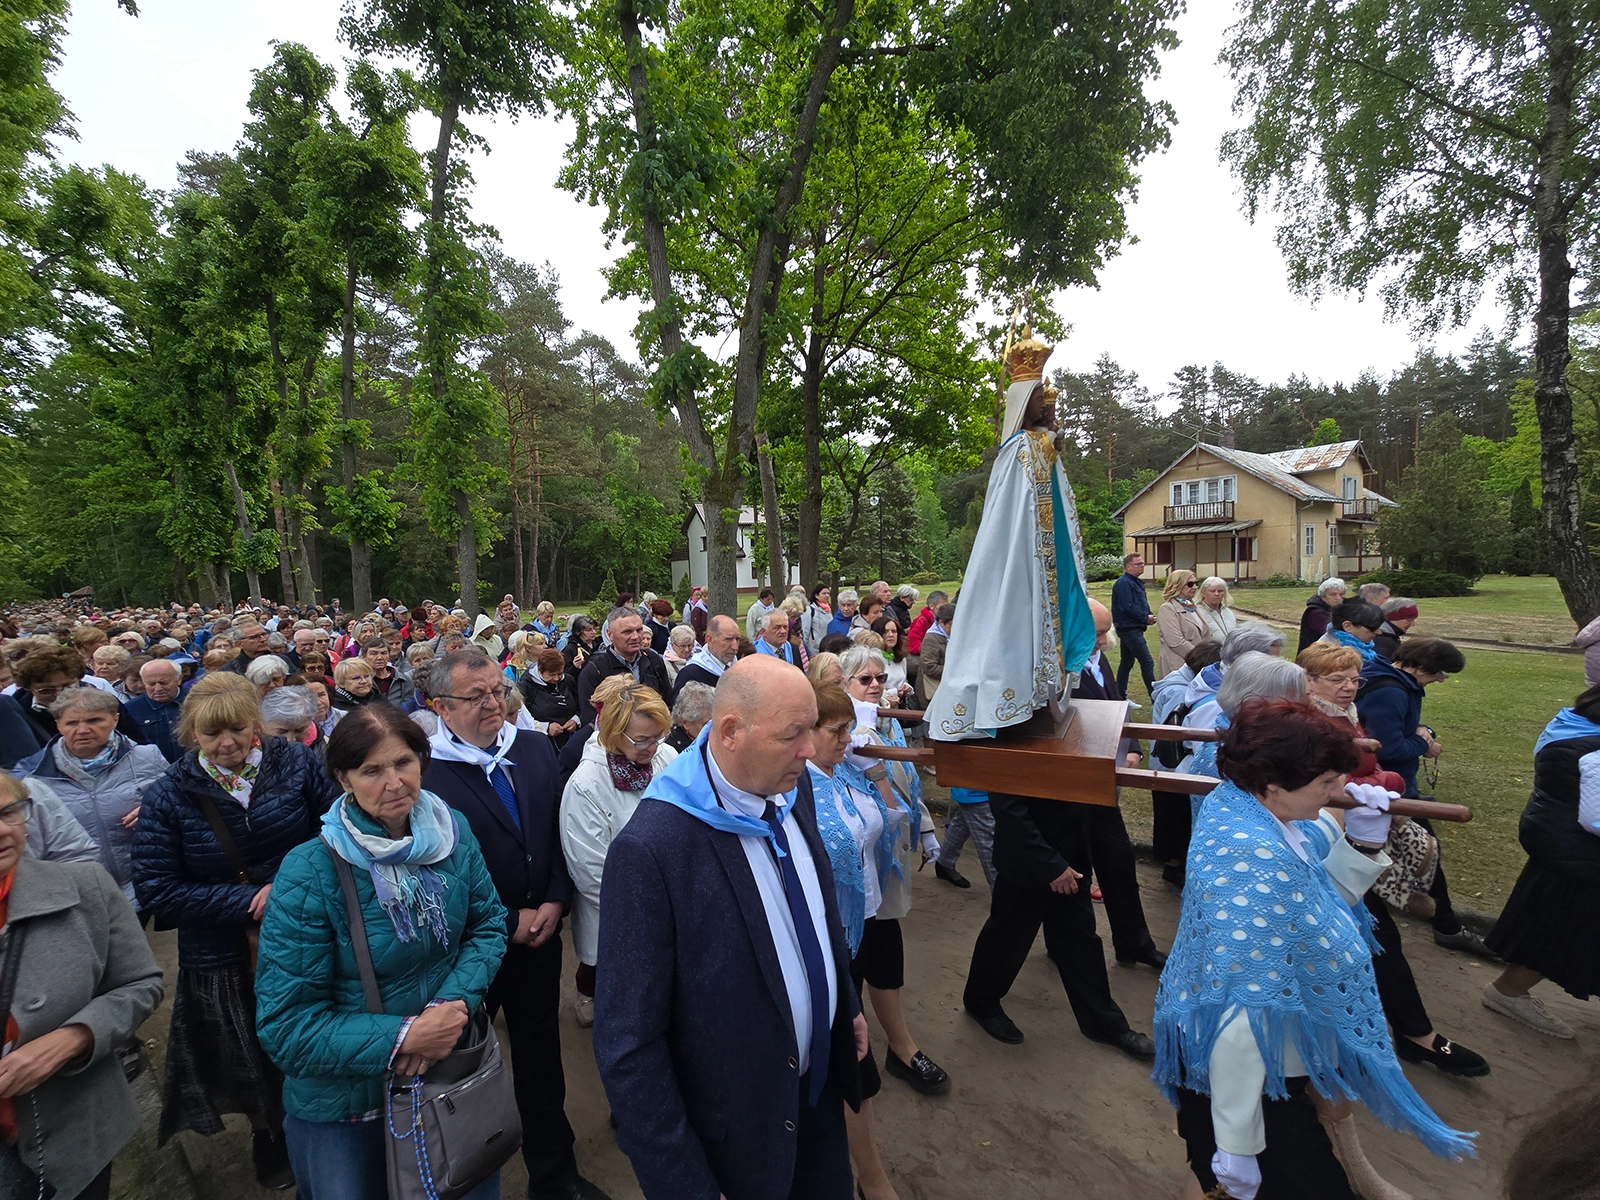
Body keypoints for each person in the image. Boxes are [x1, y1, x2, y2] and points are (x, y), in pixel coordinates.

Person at [1155, 698, 1474, 1200]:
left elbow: (1305, 907)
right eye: (1326, 782)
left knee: (1213, 1174)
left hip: (1258, 1055)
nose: (1338, 792)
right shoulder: (1252, 857)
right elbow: (1243, 1010)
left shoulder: (1247, 809)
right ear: (1274, 784)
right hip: (1245, 1071)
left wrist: (1362, 845)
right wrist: (1237, 1140)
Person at [593, 656, 866, 1200]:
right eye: (793, 735)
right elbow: (628, 1044)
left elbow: (817, 907)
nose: (811, 751)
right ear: (731, 732)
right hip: (735, 1142)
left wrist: (846, 1003)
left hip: (818, 1100)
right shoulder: (652, 850)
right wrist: (682, 1184)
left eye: (812, 730)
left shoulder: (792, 785)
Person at [253, 703, 508, 1200]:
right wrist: (404, 1037)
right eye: (372, 770)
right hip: (349, 1108)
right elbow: (286, 1028)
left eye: (404, 763)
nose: (393, 782)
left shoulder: (451, 832)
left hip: (446, 1077)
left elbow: (488, 924)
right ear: (343, 778)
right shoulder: (309, 871)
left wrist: (448, 1010)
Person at [132, 671, 340, 1185]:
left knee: (320, 1023)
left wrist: (294, 887)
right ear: (191, 736)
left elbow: (334, 824)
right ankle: (270, 1136)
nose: (228, 744)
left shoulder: (292, 761)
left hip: (308, 924)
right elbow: (157, 887)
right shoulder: (168, 796)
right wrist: (247, 899)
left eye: (240, 730)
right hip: (224, 947)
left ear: (256, 725)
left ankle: (335, 1124)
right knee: (249, 1043)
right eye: (212, 735)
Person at [422, 651, 604, 1200]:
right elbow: (432, 878)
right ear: (439, 707)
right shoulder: (427, 773)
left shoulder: (530, 747)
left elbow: (554, 827)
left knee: (540, 1057)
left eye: (497, 692)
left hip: (538, 939)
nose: (492, 705)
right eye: (474, 697)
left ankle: (555, 1175)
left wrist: (553, 899)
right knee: (458, 1065)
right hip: (465, 951)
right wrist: (506, 919)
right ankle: (457, 1176)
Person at [1297, 643, 1489, 1092]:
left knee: (1374, 940)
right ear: (1307, 680)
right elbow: (1329, 782)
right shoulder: (1307, 721)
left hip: (1350, 838)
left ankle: (1407, 1032)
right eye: (1337, 679)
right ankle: (1399, 1037)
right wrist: (1390, 782)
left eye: (1353, 679)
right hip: (1327, 847)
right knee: (1366, 941)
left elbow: (1362, 766)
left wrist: (1378, 783)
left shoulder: (1342, 713)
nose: (1348, 688)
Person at [0, 772, 164, 1200]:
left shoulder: (85, 888)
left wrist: (76, 1037)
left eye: (8, 814)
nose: (1, 830)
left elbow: (141, 983)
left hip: (72, 1138)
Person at [806, 682, 906, 1200]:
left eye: (849, 727)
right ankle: (870, 1177)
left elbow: (891, 820)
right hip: (828, 939)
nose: (848, 738)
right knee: (850, 1054)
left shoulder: (846, 770)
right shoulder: (796, 789)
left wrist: (879, 773)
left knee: (859, 1032)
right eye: (837, 730)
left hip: (865, 916)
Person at [835, 646, 949, 1096]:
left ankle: (901, 1048)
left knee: (887, 956)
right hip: (853, 874)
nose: (877, 686)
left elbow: (907, 783)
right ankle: (850, 1055)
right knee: (850, 965)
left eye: (881, 677)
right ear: (842, 686)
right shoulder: (841, 736)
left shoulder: (888, 726)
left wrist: (924, 830)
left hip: (890, 868)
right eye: (865, 680)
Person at [1481, 684, 1600, 1040]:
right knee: (1561, 932)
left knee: (1551, 926)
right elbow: (1595, 818)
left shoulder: (1572, 726)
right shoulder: (1594, 749)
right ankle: (1508, 993)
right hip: (1579, 859)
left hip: (1560, 846)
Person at [1357, 637, 1487, 959]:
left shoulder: (1387, 678)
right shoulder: (1392, 691)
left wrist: (1421, 731)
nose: (1441, 679)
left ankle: (1443, 921)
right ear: (1422, 666)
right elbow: (1384, 745)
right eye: (1440, 672)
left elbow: (1398, 730)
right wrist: (1422, 744)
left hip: (1387, 788)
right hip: (1390, 791)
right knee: (1425, 853)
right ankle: (1446, 928)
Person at [560, 682, 676, 1028]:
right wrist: (646, 906)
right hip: (619, 904)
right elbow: (589, 869)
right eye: (641, 740)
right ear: (613, 732)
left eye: (658, 736)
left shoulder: (665, 758)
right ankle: (590, 996)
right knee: (607, 969)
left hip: (668, 894)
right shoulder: (586, 786)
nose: (652, 747)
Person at [1068, 600, 1164, 968]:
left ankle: (1134, 943)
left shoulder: (1098, 659)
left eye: (1106, 632)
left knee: (1120, 864)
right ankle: (1072, 948)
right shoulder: (1058, 669)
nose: (1104, 641)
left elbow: (1118, 704)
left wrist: (1134, 745)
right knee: (1076, 870)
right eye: (1096, 634)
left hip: (1103, 783)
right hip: (1074, 785)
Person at [21, 686, 167, 911]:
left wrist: (154, 810)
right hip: (79, 894)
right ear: (58, 725)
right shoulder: (34, 777)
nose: (83, 730)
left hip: (144, 884)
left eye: (94, 720)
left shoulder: (148, 758)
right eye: (71, 723)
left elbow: (180, 807)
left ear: (115, 719)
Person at [576, 607, 672, 723]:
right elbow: (591, 719)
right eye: (627, 632)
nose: (635, 637)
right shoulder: (594, 670)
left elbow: (667, 703)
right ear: (610, 635)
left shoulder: (654, 660)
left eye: (639, 630)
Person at [1111, 553, 1157, 698]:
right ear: (1128, 566)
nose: (1142, 566)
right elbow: (1127, 607)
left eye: (1143, 563)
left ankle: (1120, 695)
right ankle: (1155, 696)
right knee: (1147, 661)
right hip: (1128, 628)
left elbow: (1140, 603)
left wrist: (1148, 615)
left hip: (1133, 627)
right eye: (1138, 564)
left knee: (1126, 662)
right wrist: (1145, 618)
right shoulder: (1124, 583)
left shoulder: (1135, 582)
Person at [126, 657, 185, 762]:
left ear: (179, 679)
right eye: (151, 684)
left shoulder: (198, 702)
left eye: (164, 683)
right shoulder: (130, 710)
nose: (158, 689)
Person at [671, 612, 740, 699]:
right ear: (709, 639)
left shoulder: (740, 668)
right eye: (728, 639)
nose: (735, 646)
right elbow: (679, 710)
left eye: (737, 639)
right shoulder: (691, 675)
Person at [523, 647, 581, 748]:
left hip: (570, 740)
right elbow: (520, 717)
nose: (556, 678)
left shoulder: (568, 681)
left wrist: (576, 720)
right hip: (541, 744)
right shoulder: (526, 686)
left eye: (560, 673)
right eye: (551, 675)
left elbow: (581, 704)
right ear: (540, 670)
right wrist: (545, 727)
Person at [1156, 569, 1209, 676]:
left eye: (1196, 583)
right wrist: (1201, 656)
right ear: (1177, 585)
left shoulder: (1192, 606)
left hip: (1198, 664)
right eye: (1190, 584)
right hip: (1179, 664)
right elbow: (1175, 642)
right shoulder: (1167, 608)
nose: (1195, 587)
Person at [1318, 598, 1385, 661]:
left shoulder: (1360, 647)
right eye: (1373, 628)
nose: (1379, 632)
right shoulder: (1331, 656)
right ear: (1348, 626)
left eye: (1379, 627)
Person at [869, 615, 915, 705]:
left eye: (894, 631)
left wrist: (907, 688)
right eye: (885, 632)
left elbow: (903, 680)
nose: (891, 635)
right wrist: (894, 692)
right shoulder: (873, 659)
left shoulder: (901, 657)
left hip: (899, 708)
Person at [915, 601, 953, 709]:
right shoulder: (932, 639)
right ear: (941, 622)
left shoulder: (949, 636)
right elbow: (929, 667)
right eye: (951, 624)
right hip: (933, 692)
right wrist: (953, 671)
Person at [1297, 576, 1348, 654]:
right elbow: (1332, 632)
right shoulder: (1315, 612)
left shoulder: (1338, 609)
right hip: (1314, 656)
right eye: (1333, 594)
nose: (1338, 598)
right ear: (1323, 597)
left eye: (1341, 594)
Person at [260, 686, 321, 750]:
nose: (291, 740)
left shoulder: (320, 745)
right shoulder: (253, 755)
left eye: (299, 731)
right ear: (261, 726)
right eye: (282, 731)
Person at [360, 635, 414, 707]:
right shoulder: (360, 682)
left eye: (384, 653)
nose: (379, 657)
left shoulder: (403, 680)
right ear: (364, 657)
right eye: (374, 653)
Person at [666, 680, 714, 752]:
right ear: (685, 723)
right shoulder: (672, 751)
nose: (712, 730)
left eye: (714, 723)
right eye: (706, 724)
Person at [1195, 576, 1238, 644]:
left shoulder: (1228, 612)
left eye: (1220, 591)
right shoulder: (1197, 613)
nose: (1217, 594)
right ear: (1203, 593)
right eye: (1212, 591)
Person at [1374, 597, 1419, 662]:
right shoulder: (1383, 641)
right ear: (1393, 618)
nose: (1413, 624)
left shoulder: (1390, 636)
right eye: (1409, 620)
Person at [800, 584, 834, 657]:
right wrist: (806, 652)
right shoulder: (810, 610)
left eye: (828, 593)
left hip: (827, 647)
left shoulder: (828, 610)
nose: (827, 595)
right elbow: (805, 631)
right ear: (816, 595)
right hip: (814, 650)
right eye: (824, 593)